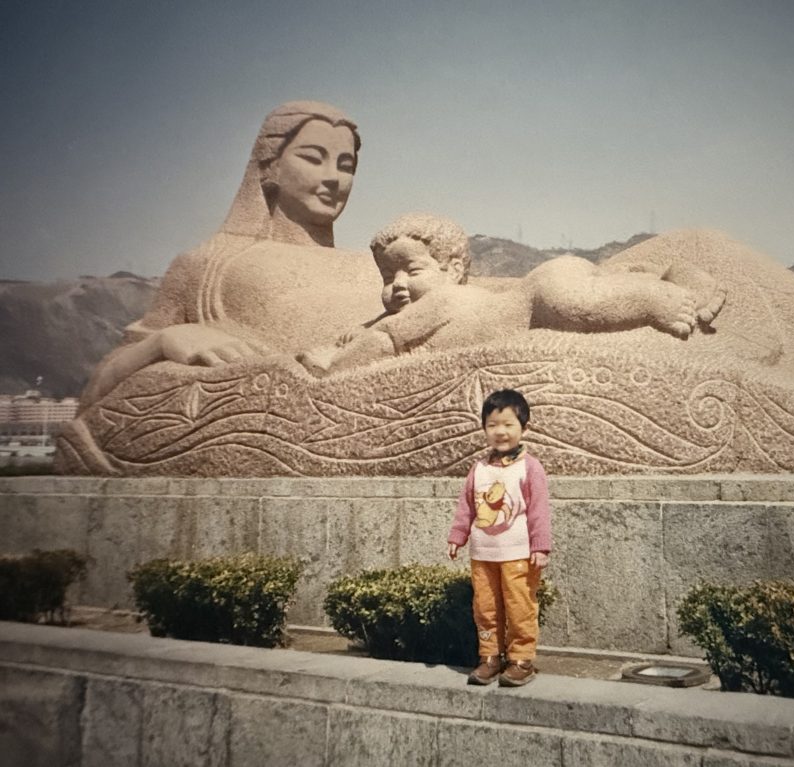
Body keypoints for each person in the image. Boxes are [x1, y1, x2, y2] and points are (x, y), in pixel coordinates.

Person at [78, 101, 382, 408]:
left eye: (346, 166)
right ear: (270, 167)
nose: (334, 178)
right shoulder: (205, 266)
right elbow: (96, 395)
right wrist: (165, 340)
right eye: (313, 159)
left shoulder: (379, 270)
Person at [299, 213, 724, 373]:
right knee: (588, 299)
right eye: (386, 278)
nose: (398, 286)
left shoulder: (444, 301)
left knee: (581, 306)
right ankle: (668, 276)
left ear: (453, 269)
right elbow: (378, 330)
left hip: (546, 292)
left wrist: (332, 362)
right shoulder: (461, 300)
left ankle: (655, 295)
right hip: (546, 288)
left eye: (410, 270)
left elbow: (382, 341)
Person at [446, 389, 551, 687]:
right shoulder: (478, 469)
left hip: (518, 553)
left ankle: (521, 658)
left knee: (520, 606)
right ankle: (489, 656)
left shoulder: (530, 467)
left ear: (524, 428)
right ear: (484, 428)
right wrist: (458, 536)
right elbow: (467, 505)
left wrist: (541, 545)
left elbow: (539, 509)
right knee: (486, 608)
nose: (500, 432)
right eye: (492, 425)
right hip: (483, 553)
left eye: (508, 424)